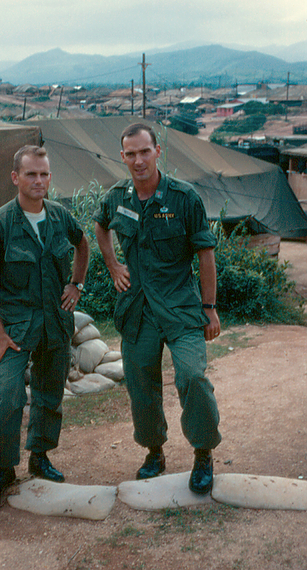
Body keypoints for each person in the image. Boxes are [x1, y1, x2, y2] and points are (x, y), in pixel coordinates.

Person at [93, 123, 221, 494]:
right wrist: (114, 265)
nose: (138, 160)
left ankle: (203, 453)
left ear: (157, 151)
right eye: (130, 154)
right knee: (140, 384)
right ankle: (154, 452)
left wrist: (209, 307)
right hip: (137, 309)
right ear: (122, 157)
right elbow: (100, 226)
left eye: (144, 151)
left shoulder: (184, 197)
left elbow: (205, 253)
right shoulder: (117, 196)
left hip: (180, 306)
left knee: (192, 376)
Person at [0, 145, 89, 511]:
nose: (38, 181)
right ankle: (2, 470)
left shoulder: (59, 216)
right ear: (15, 178)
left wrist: (77, 284)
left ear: (50, 177)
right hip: (15, 327)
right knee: (7, 395)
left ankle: (40, 456)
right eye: (31, 174)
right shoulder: (0, 223)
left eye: (44, 174)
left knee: (49, 393)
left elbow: (83, 244)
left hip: (54, 322)